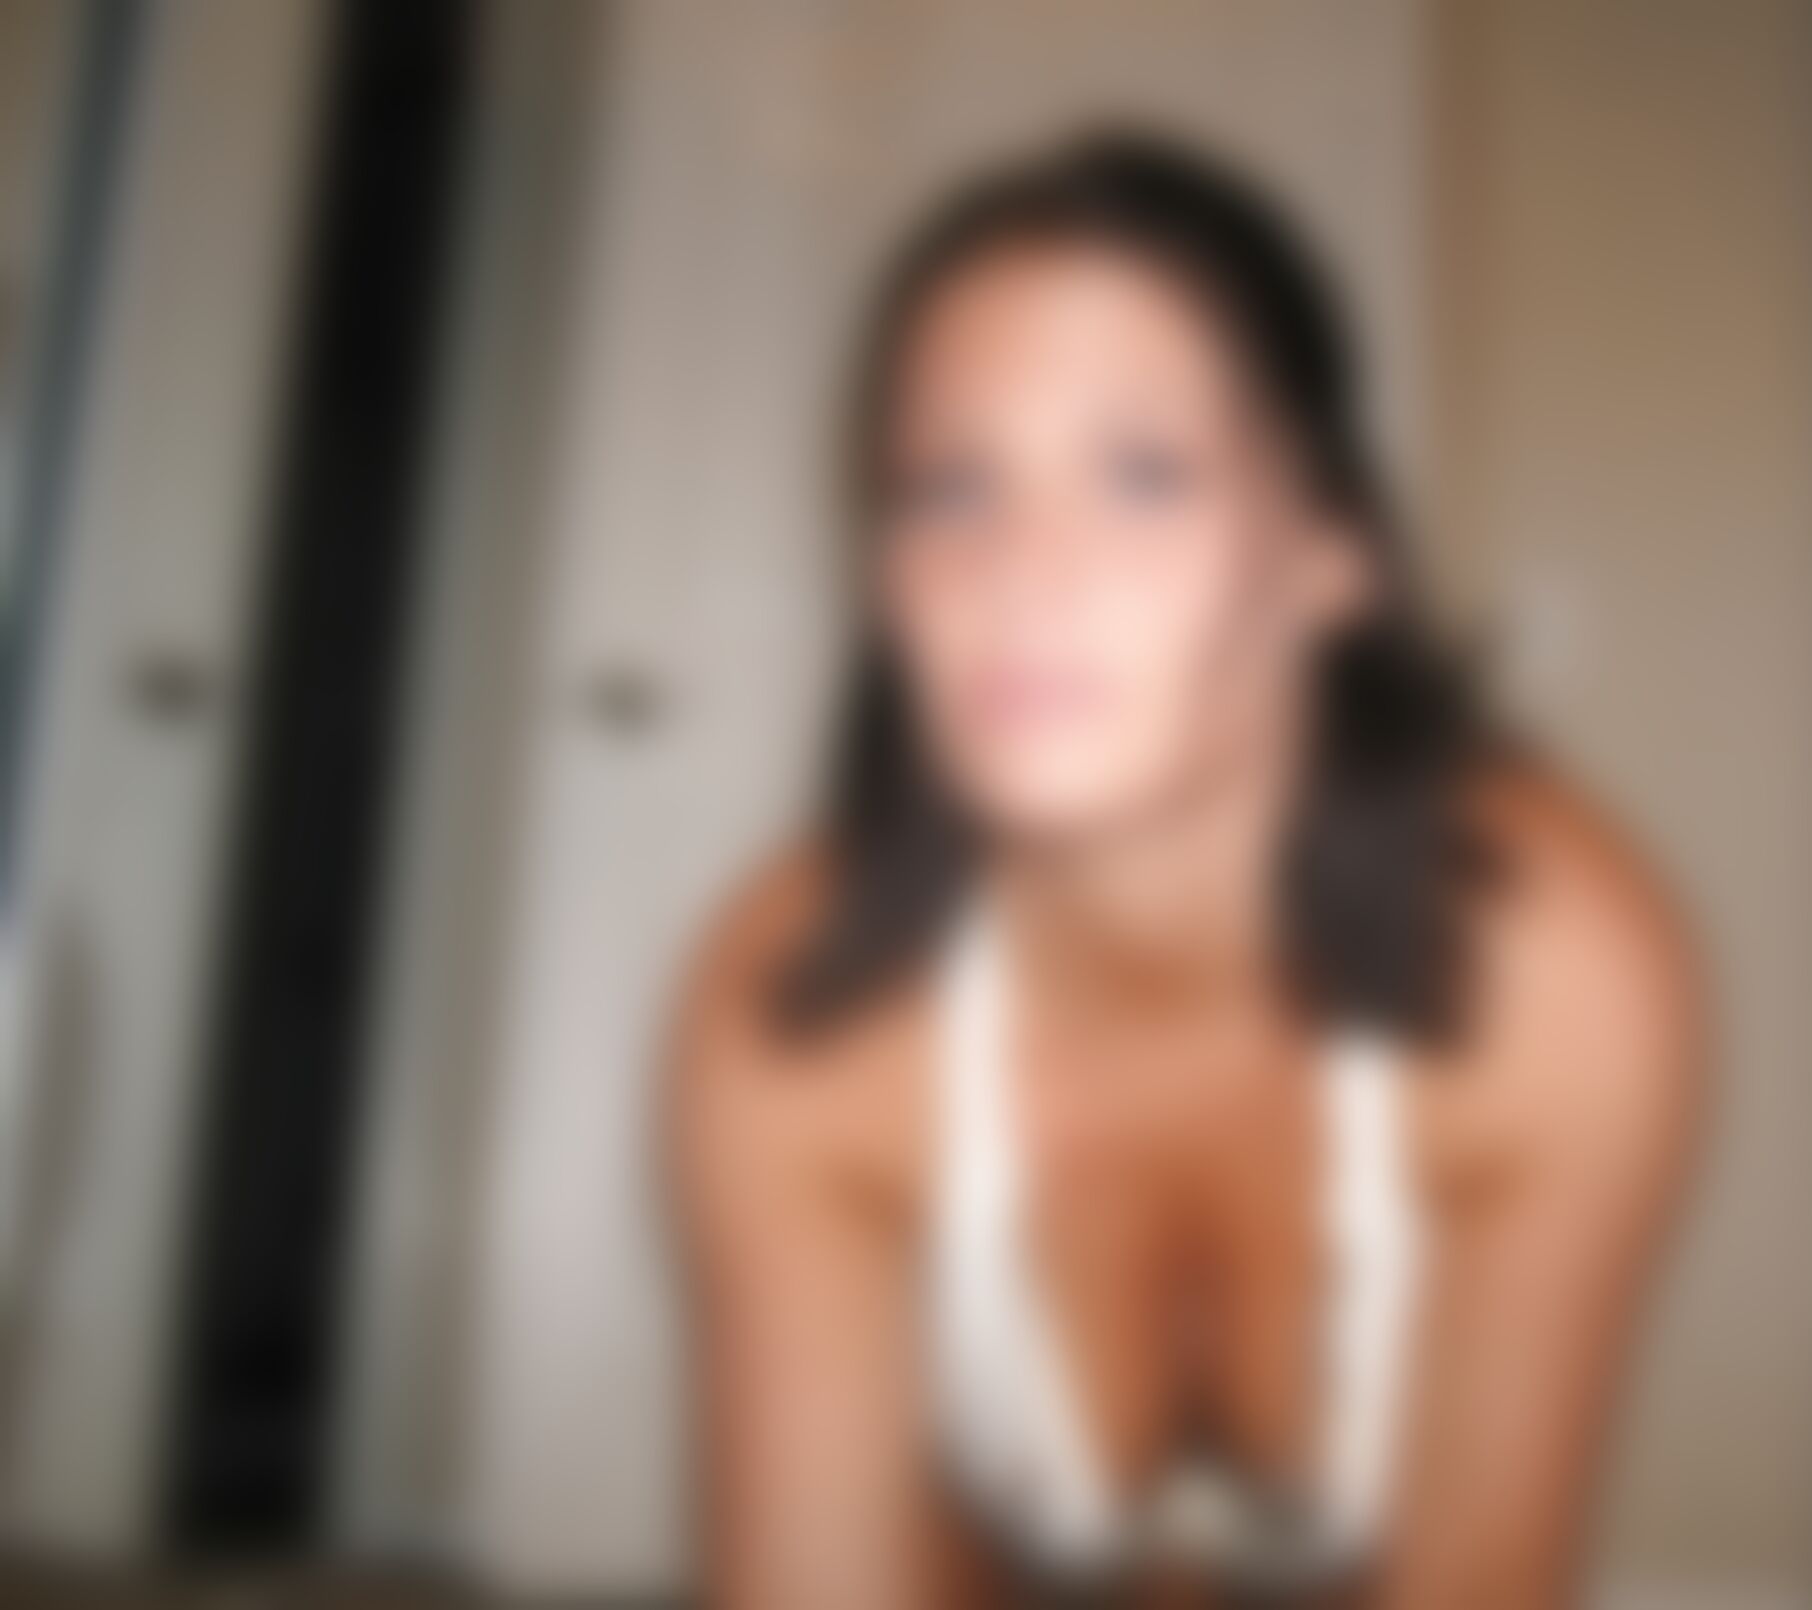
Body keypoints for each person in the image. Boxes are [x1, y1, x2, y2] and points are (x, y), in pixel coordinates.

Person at [666, 130, 1705, 1609]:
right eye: (948, 488)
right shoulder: (800, 1005)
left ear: (1328, 553)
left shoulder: (1549, 967)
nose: (1022, 570)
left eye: (1142, 474)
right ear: (884, 576)